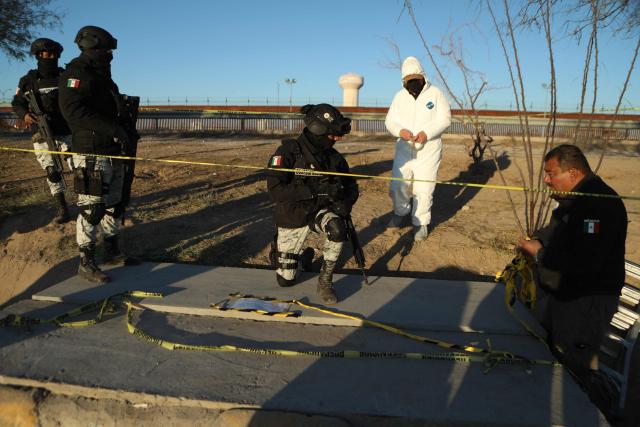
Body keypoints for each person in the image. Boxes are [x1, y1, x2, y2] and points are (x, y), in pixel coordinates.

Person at [518, 144, 627, 385]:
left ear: (574, 174)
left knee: (571, 369)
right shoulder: (574, 199)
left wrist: (540, 255)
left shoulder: (598, 205)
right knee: (549, 355)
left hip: (586, 301)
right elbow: (555, 233)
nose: (546, 180)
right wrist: (536, 241)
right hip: (564, 294)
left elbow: (586, 263)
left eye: (551, 174)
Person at [58, 26, 139, 283]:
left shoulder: (103, 77)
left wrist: (124, 128)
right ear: (92, 46)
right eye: (106, 50)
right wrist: (113, 128)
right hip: (90, 151)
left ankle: (112, 251)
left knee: (116, 204)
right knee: (92, 208)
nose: (110, 55)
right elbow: (73, 112)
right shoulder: (75, 73)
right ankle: (86, 261)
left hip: (113, 151)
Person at [266, 104, 358, 304]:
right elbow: (275, 191)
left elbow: (352, 186)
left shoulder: (335, 159)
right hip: (293, 214)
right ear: (318, 130)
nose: (335, 140)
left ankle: (325, 282)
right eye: (332, 136)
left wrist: (346, 202)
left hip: (320, 212)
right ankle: (289, 255)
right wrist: (316, 190)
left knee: (337, 228)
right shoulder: (288, 152)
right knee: (286, 280)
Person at [385, 56, 451, 241]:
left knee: (424, 188)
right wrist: (401, 131)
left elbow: (445, 119)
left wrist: (426, 133)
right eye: (409, 81)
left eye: (416, 79)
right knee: (399, 184)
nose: (413, 83)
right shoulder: (399, 97)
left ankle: (420, 222)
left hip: (428, 151)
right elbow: (390, 121)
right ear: (403, 81)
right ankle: (400, 212)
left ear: (422, 77)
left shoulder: (436, 94)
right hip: (404, 150)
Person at [11, 38, 72, 224]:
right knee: (52, 171)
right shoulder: (28, 80)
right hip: (42, 133)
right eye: (48, 54)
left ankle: (87, 203)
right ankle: (62, 208)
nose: (51, 57)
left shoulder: (66, 77)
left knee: (79, 167)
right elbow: (17, 102)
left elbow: (77, 96)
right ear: (39, 55)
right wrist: (24, 115)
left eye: (55, 54)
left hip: (67, 130)